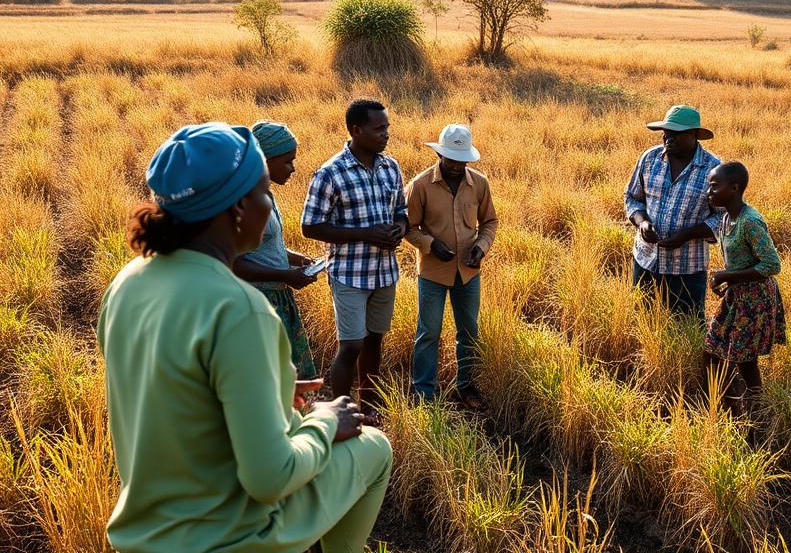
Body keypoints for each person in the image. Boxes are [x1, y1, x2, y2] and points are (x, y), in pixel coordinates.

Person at [98, 123, 392, 553]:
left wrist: (263, 390)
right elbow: (270, 478)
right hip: (228, 538)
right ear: (237, 209)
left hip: (144, 534)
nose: (268, 203)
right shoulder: (241, 309)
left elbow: (172, 388)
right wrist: (326, 421)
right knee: (374, 448)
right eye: (263, 193)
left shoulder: (127, 283)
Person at [302, 99, 408, 427]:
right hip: (349, 274)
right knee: (351, 346)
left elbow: (401, 212)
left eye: (387, 127)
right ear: (355, 130)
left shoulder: (391, 167)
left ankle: (369, 408)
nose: (386, 134)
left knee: (374, 341)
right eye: (379, 129)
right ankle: (340, 413)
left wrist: (398, 230)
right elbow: (311, 225)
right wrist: (366, 234)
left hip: (384, 273)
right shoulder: (331, 172)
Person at [404, 124, 498, 408]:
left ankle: (466, 386)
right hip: (433, 272)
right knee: (429, 331)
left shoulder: (479, 183)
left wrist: (480, 248)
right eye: (452, 160)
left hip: (468, 273)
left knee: (469, 330)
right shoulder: (420, 185)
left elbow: (490, 222)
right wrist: (430, 245)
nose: (458, 166)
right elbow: (407, 228)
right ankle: (424, 392)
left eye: (463, 161)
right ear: (440, 155)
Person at [234, 120, 319, 379]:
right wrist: (285, 274)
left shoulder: (265, 194)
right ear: (264, 160)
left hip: (277, 298)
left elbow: (265, 245)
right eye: (287, 161)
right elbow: (234, 263)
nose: (293, 168)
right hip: (256, 301)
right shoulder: (244, 200)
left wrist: (295, 259)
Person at [624, 105, 723, 321]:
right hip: (646, 259)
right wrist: (642, 223)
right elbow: (632, 198)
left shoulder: (713, 169)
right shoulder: (649, 159)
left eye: (676, 134)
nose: (668, 138)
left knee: (686, 327)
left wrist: (688, 234)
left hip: (687, 268)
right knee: (644, 321)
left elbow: (724, 218)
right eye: (666, 133)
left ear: (694, 136)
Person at [703, 160, 786, 416]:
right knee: (713, 351)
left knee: (744, 361)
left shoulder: (750, 221)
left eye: (715, 187)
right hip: (737, 296)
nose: (709, 192)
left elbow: (772, 264)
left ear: (734, 188)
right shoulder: (729, 218)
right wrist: (728, 280)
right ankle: (732, 409)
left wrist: (729, 275)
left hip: (755, 301)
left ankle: (752, 414)